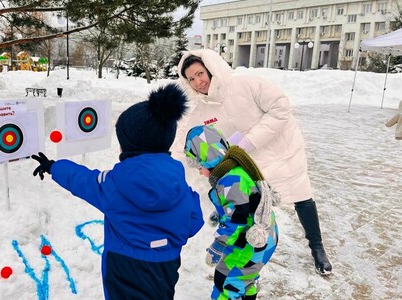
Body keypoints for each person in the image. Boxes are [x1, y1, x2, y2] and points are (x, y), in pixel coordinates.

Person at [31, 83, 204, 300]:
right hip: (166, 266)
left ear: (130, 148)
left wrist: (53, 166)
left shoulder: (113, 185)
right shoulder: (179, 184)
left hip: (123, 266)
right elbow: (195, 221)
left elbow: (82, 180)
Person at [173, 49, 332, 276]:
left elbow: (280, 108)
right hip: (249, 165)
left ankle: (317, 247)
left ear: (211, 69)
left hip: (282, 151)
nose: (198, 81)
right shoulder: (201, 112)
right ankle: (245, 259)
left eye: (200, 73)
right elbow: (192, 142)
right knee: (250, 209)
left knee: (302, 197)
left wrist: (247, 142)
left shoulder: (248, 84)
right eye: (191, 78)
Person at [184, 125, 279, 300]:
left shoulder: (229, 180)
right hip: (262, 235)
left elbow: (236, 218)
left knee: (226, 280)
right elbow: (241, 205)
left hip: (249, 241)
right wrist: (221, 214)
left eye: (199, 166)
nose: (200, 172)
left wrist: (218, 246)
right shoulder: (234, 169)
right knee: (243, 279)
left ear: (208, 158)